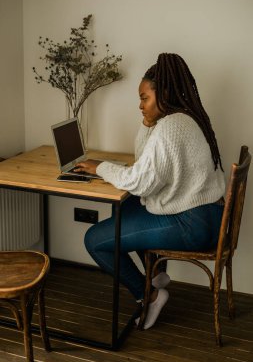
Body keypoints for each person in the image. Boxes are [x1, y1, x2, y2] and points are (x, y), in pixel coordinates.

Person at [74, 53, 225, 330]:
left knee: (94, 240)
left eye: (144, 98)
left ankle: (150, 296)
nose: (140, 105)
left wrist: (100, 168)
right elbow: (146, 162)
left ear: (163, 94)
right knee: (125, 207)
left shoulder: (171, 128)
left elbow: (141, 182)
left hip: (192, 224)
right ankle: (155, 275)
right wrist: (147, 123)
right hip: (207, 214)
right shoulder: (183, 118)